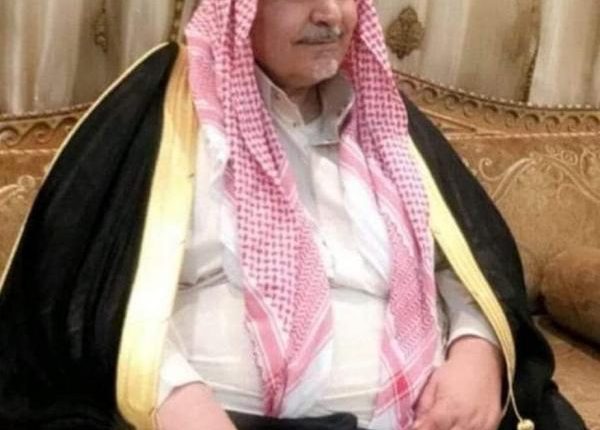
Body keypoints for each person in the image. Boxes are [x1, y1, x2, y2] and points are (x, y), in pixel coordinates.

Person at [0, 1, 585, 430]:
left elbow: (466, 261)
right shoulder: (155, 115)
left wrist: (479, 352)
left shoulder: (387, 121)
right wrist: (173, 396)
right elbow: (78, 298)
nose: (331, 14)